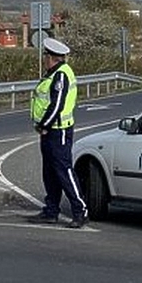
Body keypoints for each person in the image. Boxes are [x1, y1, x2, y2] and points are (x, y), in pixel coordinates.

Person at [28, 37, 85, 228]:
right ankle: (51, 210)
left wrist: (45, 124)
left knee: (63, 171)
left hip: (58, 130)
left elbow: (57, 104)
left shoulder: (61, 75)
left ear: (51, 57)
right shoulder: (53, 73)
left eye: (46, 55)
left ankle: (80, 210)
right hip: (51, 130)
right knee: (50, 172)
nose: (44, 58)